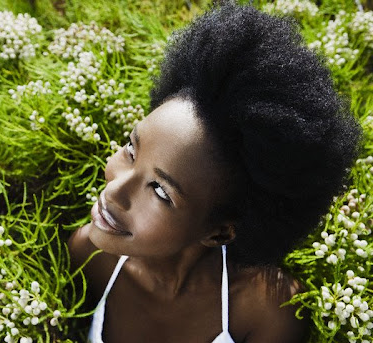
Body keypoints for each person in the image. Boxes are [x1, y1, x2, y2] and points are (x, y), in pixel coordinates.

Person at [68, 2, 363, 342]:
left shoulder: (267, 312)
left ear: (219, 232)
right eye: (131, 150)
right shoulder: (89, 256)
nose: (115, 191)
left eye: (160, 191)